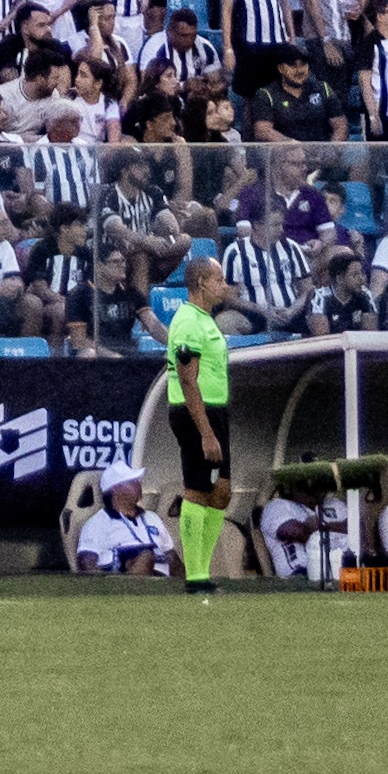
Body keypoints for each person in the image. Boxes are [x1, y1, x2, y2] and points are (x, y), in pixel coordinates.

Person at [159, 249, 240, 594]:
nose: (224, 285)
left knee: (221, 492)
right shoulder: (189, 321)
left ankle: (201, 572)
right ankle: (196, 577)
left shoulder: (205, 319)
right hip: (195, 413)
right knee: (197, 490)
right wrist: (205, 431)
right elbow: (187, 378)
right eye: (219, 279)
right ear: (201, 283)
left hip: (214, 411)